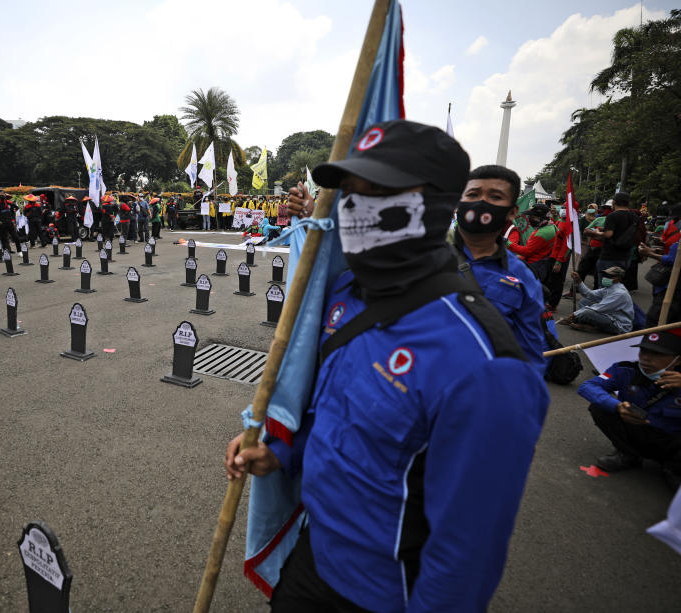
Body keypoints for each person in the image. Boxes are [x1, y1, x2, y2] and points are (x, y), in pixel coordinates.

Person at [226, 119, 548, 612]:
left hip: (382, 595)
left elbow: (465, 555)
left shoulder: (485, 365)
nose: (356, 209)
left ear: (436, 205)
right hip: (309, 558)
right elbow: (332, 413)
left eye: (379, 192)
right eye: (350, 193)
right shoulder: (340, 299)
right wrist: (281, 454)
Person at [454, 165, 547, 369]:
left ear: (512, 212)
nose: (481, 202)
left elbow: (531, 355)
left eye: (495, 197)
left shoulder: (523, 278)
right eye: (473, 194)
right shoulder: (425, 259)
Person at [577, 328, 681, 490]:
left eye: (657, 354)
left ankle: (674, 468)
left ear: (677, 360)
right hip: (639, 430)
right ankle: (629, 454)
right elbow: (588, 386)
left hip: (671, 441)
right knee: (600, 408)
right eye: (643, 351)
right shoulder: (625, 370)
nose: (646, 358)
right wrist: (617, 406)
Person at [560, 267, 633, 333]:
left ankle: (592, 326)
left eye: (609, 276)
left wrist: (575, 314)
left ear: (618, 279)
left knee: (588, 313)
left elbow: (599, 308)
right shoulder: (610, 288)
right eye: (606, 275)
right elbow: (590, 294)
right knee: (584, 301)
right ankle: (587, 323)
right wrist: (579, 281)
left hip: (618, 324)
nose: (605, 278)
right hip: (608, 315)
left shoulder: (619, 293)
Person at [506, 203, 556, 282]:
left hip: (534, 267)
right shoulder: (551, 225)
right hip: (541, 263)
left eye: (532, 217)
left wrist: (508, 243)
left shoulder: (542, 233)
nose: (529, 219)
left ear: (541, 217)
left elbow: (527, 251)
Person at [640, 239, 680, 325]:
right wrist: (653, 251)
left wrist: (650, 254)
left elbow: (673, 260)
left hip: (672, 289)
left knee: (657, 318)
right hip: (667, 286)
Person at [595, 192, 636, 277]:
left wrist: (598, 233)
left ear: (614, 202)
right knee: (616, 284)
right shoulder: (634, 216)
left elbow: (608, 234)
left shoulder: (612, 216)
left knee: (606, 286)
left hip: (610, 257)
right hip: (626, 257)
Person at [545, 205, 573, 310]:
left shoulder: (569, 225)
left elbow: (566, 246)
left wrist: (559, 262)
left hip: (559, 258)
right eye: (562, 208)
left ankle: (552, 304)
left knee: (557, 282)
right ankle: (548, 300)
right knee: (550, 280)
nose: (563, 210)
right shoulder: (559, 221)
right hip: (552, 255)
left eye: (566, 208)